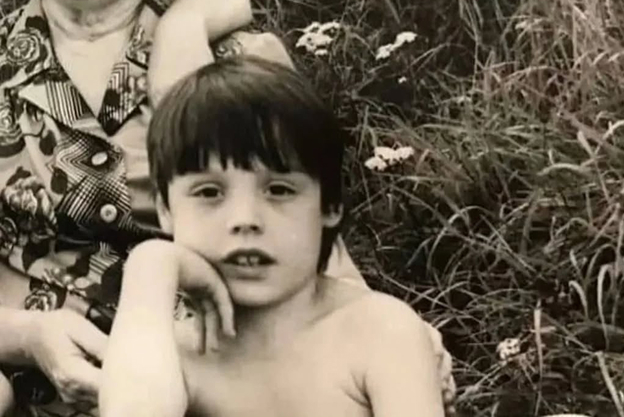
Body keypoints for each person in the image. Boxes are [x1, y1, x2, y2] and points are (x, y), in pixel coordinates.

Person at [0, 0, 296, 417]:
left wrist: (379, 331)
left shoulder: (235, 63)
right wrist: (29, 337)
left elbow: (311, 246)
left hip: (211, 386)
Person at [100, 56, 447, 417]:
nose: (245, 220)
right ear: (166, 210)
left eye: (279, 190)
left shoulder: (377, 332)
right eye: (209, 192)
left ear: (329, 204)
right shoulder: (172, 354)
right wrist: (151, 265)